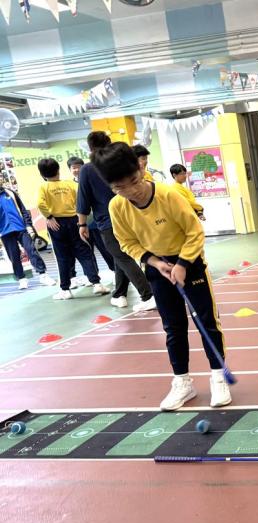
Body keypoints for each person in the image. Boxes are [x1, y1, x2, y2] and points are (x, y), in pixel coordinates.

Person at [93, 142, 231, 410]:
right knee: (173, 327)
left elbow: (194, 232)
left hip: (190, 263)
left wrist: (182, 263)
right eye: (120, 188)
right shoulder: (117, 207)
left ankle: (218, 376)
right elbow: (127, 242)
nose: (131, 191)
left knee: (206, 321)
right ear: (111, 187)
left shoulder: (169, 195)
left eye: (134, 181)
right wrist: (155, 262)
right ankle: (183, 382)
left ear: (140, 168)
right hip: (157, 269)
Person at [77, 132, 156, 311]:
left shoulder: (88, 169)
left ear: (90, 148)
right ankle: (119, 294)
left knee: (122, 257)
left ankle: (148, 295)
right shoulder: (120, 164)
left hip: (108, 220)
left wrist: (82, 224)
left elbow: (83, 198)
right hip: (132, 215)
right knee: (119, 256)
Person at [36, 158, 109, 300]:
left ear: (42, 174)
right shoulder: (70, 184)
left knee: (62, 257)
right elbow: (81, 201)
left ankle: (65, 289)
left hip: (56, 224)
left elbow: (40, 204)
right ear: (58, 170)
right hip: (74, 221)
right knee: (84, 252)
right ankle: (97, 283)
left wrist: (49, 216)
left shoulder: (43, 187)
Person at [0, 186, 56, 290]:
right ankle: (21, 279)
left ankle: (43, 275)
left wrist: (28, 224)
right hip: (5, 232)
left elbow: (22, 209)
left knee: (31, 250)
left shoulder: (10, 192)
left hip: (21, 228)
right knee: (14, 256)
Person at [68, 156, 114, 272]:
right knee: (88, 251)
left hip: (97, 222)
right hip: (82, 223)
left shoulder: (92, 179)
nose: (77, 170)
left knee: (106, 248)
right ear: (70, 170)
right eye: (74, 168)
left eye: (79, 167)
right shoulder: (69, 186)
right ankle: (94, 276)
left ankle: (114, 269)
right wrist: (81, 223)